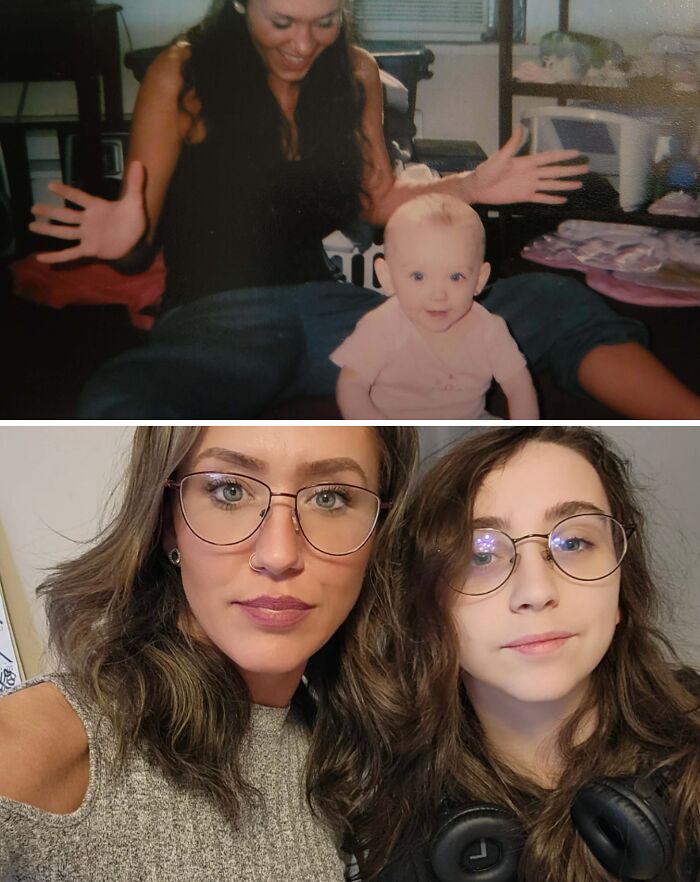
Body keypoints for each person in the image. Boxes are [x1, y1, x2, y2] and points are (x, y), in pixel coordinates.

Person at [27, 0, 700, 417]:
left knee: (551, 301)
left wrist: (471, 187)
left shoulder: (353, 73)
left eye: (325, 20)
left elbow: (378, 204)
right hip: (215, 319)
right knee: (116, 399)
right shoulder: (182, 73)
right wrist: (121, 235)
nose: (303, 42)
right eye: (281, 21)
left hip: (329, 313)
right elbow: (134, 237)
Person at [0, 425, 419, 881]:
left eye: (330, 498)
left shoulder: (336, 748)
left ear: (380, 532)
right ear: (167, 524)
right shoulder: (41, 749)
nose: (278, 555)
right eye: (229, 490)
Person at [346, 427, 700, 882]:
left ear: (622, 592)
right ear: (427, 604)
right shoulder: (384, 830)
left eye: (573, 543)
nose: (536, 591)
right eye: (481, 553)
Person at [331, 195, 538, 419]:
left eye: (456, 276)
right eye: (418, 276)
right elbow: (351, 385)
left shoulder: (490, 330)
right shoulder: (381, 326)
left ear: (479, 279)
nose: (439, 295)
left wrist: (522, 432)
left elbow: (519, 386)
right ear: (387, 276)